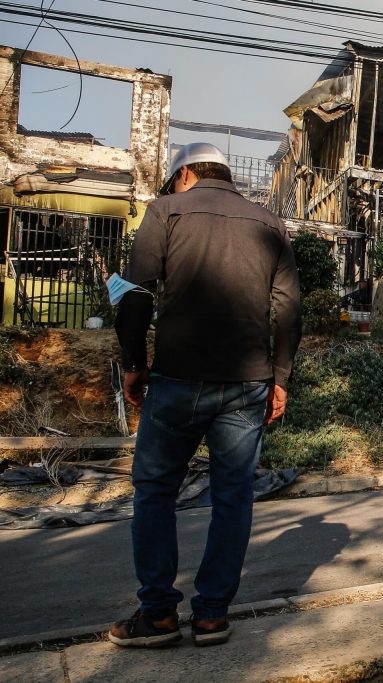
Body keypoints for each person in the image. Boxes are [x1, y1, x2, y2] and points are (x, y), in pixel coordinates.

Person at [109, 142, 301, 648]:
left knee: (154, 492)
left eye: (174, 180)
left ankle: (158, 615)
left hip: (175, 380)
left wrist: (134, 365)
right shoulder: (269, 224)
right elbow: (289, 309)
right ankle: (213, 614)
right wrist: (280, 378)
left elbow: (133, 294)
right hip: (246, 386)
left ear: (185, 174)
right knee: (233, 497)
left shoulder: (166, 211)